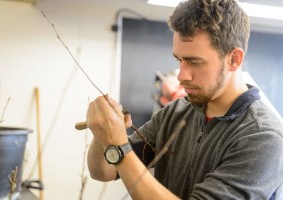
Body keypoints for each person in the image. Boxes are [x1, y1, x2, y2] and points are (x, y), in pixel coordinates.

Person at [86, 0, 283, 199]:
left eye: (194, 62)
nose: (181, 75)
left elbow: (120, 155)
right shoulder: (175, 113)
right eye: (179, 60)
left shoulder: (263, 138)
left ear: (234, 59)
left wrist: (118, 146)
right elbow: (103, 171)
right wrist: (103, 133)